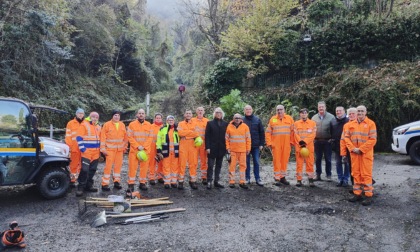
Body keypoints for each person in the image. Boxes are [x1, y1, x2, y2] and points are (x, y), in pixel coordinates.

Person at [344, 105, 377, 206]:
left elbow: (373, 139)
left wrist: (361, 149)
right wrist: (352, 148)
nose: (360, 113)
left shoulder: (371, 123)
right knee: (356, 173)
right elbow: (346, 138)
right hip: (354, 153)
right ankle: (357, 193)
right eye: (358, 111)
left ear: (366, 112)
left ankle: (368, 195)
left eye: (362, 111)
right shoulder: (350, 124)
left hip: (365, 154)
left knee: (366, 174)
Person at [265, 105, 294, 186]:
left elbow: (293, 132)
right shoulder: (273, 119)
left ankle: (283, 177)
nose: (279, 111)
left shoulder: (289, 119)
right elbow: (268, 132)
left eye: (281, 109)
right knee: (277, 161)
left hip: (286, 144)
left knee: (284, 161)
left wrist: (292, 142)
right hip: (276, 144)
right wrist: (269, 143)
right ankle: (277, 178)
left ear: (284, 110)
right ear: (276, 111)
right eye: (278, 110)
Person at [100, 110, 127, 191]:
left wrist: (124, 147)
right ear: (112, 116)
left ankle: (116, 182)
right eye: (115, 115)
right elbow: (103, 137)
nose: (117, 117)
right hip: (110, 149)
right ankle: (105, 184)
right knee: (108, 167)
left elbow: (125, 138)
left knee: (118, 167)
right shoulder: (107, 125)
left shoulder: (122, 125)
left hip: (119, 150)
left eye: (118, 115)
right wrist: (103, 149)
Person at [75, 112, 101, 197]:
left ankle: (88, 186)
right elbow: (79, 137)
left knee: (92, 170)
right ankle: (80, 187)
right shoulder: (84, 125)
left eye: (96, 117)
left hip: (96, 153)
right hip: (86, 153)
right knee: (84, 170)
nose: (94, 118)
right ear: (90, 117)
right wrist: (83, 149)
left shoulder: (98, 127)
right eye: (93, 117)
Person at [127, 109, 153, 191]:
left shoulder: (149, 125)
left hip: (145, 150)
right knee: (132, 167)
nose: (141, 115)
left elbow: (150, 137)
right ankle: (131, 184)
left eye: (142, 113)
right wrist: (137, 146)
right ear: (137, 115)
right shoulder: (132, 124)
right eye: (139, 113)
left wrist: (144, 146)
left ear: (145, 115)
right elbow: (129, 137)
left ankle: (142, 183)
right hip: (134, 150)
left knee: (144, 168)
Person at [205, 107, 228, 189]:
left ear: (222, 114)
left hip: (221, 148)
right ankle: (209, 181)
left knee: (219, 165)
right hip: (212, 148)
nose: (218, 114)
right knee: (210, 165)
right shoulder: (210, 123)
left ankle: (216, 181)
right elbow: (207, 136)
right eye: (217, 112)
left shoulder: (225, 124)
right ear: (214, 114)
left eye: (220, 112)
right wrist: (207, 147)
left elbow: (227, 136)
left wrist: (227, 148)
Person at [226, 113, 251, 189]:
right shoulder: (229, 127)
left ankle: (242, 182)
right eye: (236, 118)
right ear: (233, 118)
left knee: (243, 166)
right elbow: (226, 139)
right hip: (232, 151)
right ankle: (232, 182)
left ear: (241, 119)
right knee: (232, 166)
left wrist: (248, 148)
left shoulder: (245, 127)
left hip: (242, 150)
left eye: (239, 118)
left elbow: (248, 139)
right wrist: (228, 148)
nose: (237, 119)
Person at [311, 101, 334, 181]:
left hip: (327, 141)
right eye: (319, 107)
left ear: (325, 107)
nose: (321, 108)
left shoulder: (331, 117)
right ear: (317, 108)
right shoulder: (314, 118)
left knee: (328, 159)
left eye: (322, 107)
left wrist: (332, 138)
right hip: (317, 141)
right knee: (318, 158)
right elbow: (311, 129)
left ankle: (328, 175)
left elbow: (334, 128)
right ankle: (318, 174)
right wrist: (312, 139)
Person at [242, 105, 265, 186]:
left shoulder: (257, 119)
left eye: (249, 109)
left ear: (252, 110)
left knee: (256, 162)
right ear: (244, 111)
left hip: (256, 145)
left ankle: (257, 178)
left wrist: (262, 144)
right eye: (246, 109)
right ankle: (247, 178)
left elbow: (262, 132)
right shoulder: (241, 120)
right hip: (245, 146)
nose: (248, 110)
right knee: (246, 162)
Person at [294, 108, 317, 187]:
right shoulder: (296, 123)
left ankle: (311, 180)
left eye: (305, 113)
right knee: (299, 164)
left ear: (307, 114)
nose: (303, 114)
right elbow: (295, 134)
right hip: (299, 146)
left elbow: (313, 134)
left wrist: (305, 141)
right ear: (300, 114)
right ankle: (299, 180)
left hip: (309, 147)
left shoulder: (312, 123)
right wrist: (300, 141)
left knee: (310, 163)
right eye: (302, 113)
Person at [178, 110, 200, 189]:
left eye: (189, 113)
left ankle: (192, 181)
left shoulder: (195, 123)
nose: (188, 114)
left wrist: (186, 134)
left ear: (192, 115)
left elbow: (197, 133)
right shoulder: (180, 123)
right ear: (184, 115)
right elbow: (180, 133)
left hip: (192, 145)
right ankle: (180, 181)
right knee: (182, 164)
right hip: (183, 145)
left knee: (193, 163)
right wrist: (191, 132)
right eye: (187, 113)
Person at [156, 115, 180, 189]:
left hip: (175, 152)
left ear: (174, 121)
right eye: (169, 120)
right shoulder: (162, 129)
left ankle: (173, 182)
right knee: (166, 167)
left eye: (172, 120)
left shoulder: (177, 129)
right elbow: (159, 140)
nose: (170, 121)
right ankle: (167, 182)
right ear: (166, 121)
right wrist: (159, 150)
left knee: (175, 167)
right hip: (166, 152)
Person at [65, 108, 85, 187]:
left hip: (83, 148)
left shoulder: (85, 123)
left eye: (82, 113)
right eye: (79, 113)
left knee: (82, 165)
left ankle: (80, 180)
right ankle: (72, 180)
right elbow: (68, 136)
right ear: (76, 114)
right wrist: (70, 147)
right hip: (74, 148)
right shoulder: (70, 123)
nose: (80, 115)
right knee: (73, 165)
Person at [331, 106, 350, 187]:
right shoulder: (333, 121)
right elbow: (331, 132)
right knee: (338, 163)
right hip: (336, 146)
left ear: (344, 111)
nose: (338, 112)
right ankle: (340, 179)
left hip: (346, 146)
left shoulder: (348, 121)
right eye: (337, 111)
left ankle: (346, 179)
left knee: (346, 163)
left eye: (340, 111)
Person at [191, 107, 209, 185]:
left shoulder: (207, 121)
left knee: (204, 161)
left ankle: (204, 177)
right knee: (193, 161)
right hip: (194, 144)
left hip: (204, 144)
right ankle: (193, 177)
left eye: (202, 110)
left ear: (204, 112)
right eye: (199, 110)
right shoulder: (192, 120)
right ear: (196, 111)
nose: (200, 111)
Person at [341, 107, 357, 187]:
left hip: (359, 151)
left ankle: (364, 187)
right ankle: (355, 187)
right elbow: (343, 140)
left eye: (353, 113)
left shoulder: (361, 124)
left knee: (361, 170)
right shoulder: (346, 125)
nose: (351, 115)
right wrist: (343, 153)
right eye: (349, 114)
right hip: (349, 151)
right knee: (351, 169)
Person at [148, 113, 164, 185]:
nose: (158, 119)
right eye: (157, 118)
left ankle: (160, 176)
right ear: (154, 119)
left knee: (161, 162)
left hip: (161, 147)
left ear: (161, 119)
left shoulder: (164, 127)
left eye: (159, 118)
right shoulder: (150, 126)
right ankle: (151, 177)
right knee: (152, 162)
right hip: (152, 146)